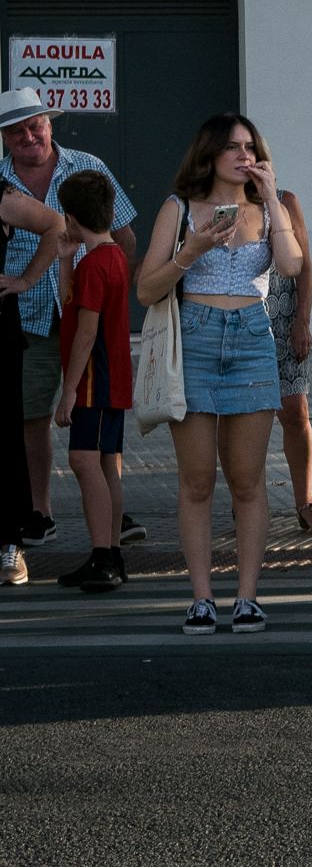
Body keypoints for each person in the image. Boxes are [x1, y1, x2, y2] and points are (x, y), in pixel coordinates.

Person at [135, 115, 305, 633]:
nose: (242, 155)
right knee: (198, 480)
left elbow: (292, 265)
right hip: (197, 337)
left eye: (249, 147)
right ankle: (202, 598)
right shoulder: (178, 207)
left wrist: (271, 195)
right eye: (231, 147)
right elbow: (146, 289)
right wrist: (194, 249)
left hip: (253, 338)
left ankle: (248, 596)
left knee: (248, 480)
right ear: (208, 154)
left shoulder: (264, 207)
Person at [1, 88, 138, 550]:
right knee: (31, 416)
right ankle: (40, 511)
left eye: (34, 124)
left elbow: (125, 237)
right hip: (30, 319)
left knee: (96, 414)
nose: (28, 136)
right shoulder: (0, 181)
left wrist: (120, 297)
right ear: (4, 138)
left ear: (50, 123)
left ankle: (111, 515)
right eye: (16, 130)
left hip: (90, 313)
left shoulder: (88, 166)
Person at [53, 171, 136, 592]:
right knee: (105, 464)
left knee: (84, 461)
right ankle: (111, 554)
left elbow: (85, 331)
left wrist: (67, 391)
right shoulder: (113, 255)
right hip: (111, 379)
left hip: (92, 381)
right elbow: (73, 302)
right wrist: (66, 256)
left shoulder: (95, 267)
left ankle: (103, 556)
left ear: (70, 217)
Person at [0, 184, 63, 585]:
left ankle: (9, 544)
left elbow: (56, 225)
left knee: (7, 440)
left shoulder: (2, 196)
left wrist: (25, 280)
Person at [264, 176, 312, 536]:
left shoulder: (286, 199)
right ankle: (247, 498)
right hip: (243, 324)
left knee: (295, 410)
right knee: (245, 420)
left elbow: (304, 267)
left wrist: (303, 320)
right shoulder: (219, 200)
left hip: (285, 321)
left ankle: (305, 500)